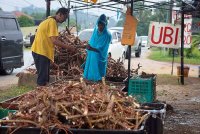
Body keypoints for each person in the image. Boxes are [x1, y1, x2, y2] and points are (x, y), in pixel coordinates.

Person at [31, 7, 75, 86]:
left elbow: (52, 40)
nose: (65, 20)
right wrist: (68, 47)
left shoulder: (48, 20)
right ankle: (40, 95)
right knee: (42, 79)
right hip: (41, 52)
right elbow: (54, 41)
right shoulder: (52, 22)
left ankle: (44, 94)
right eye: (65, 17)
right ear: (59, 14)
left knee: (45, 77)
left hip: (40, 51)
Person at [82, 14, 111, 81]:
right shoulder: (95, 32)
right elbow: (92, 43)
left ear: (105, 25)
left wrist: (91, 48)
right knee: (91, 54)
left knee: (94, 55)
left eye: (102, 25)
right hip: (92, 53)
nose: (100, 27)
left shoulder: (107, 35)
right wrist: (89, 47)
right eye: (99, 25)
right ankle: (89, 78)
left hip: (101, 56)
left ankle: (98, 79)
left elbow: (102, 49)